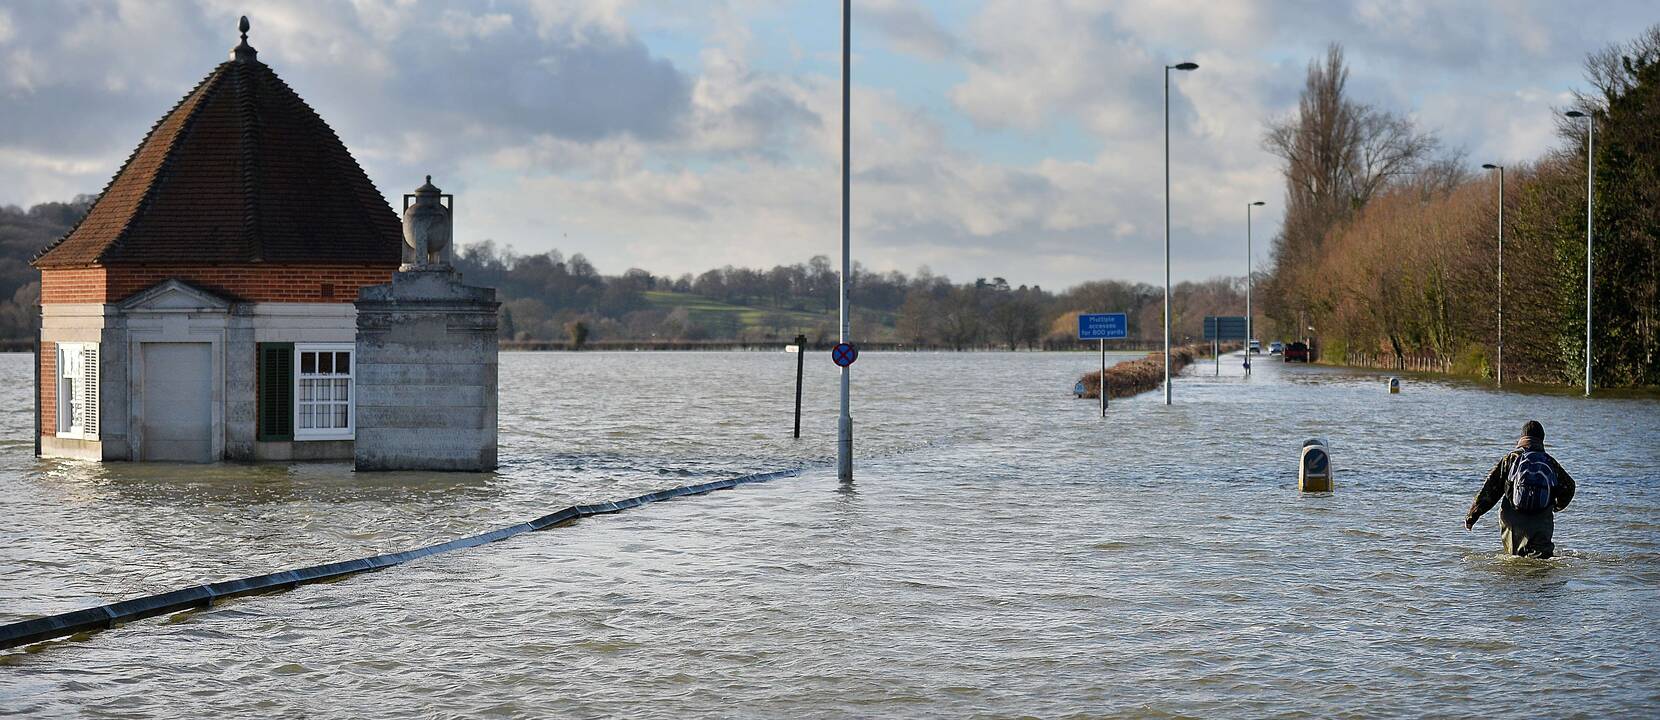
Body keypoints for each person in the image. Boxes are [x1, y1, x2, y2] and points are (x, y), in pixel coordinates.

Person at [1464, 420, 1576, 558]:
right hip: (1541, 519)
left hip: (1512, 519)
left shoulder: (1511, 459)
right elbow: (1569, 487)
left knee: (1514, 561)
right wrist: (1555, 506)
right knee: (1542, 560)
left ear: (1522, 438)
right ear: (1541, 439)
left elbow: (1490, 489)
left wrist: (1472, 516)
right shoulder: (1550, 462)